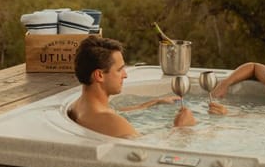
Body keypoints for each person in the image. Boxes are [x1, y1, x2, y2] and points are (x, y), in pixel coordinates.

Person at [67, 35, 197, 137]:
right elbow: (147, 149)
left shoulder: (78, 106)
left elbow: (112, 111)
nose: (125, 75)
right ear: (99, 75)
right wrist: (180, 128)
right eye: (119, 70)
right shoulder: (112, 121)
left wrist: (153, 103)